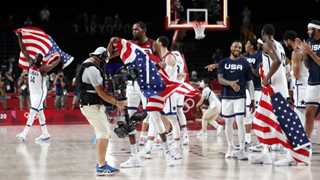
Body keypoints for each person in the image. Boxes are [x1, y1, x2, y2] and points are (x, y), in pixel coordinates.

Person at [77, 46, 126, 176]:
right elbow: (100, 93)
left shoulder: (87, 64)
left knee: (103, 132)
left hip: (91, 105)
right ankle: (101, 166)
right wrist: (117, 102)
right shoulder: (92, 69)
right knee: (103, 133)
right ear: (101, 57)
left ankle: (101, 162)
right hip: (90, 106)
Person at [250, 24, 290, 165]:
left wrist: (267, 76)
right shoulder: (279, 44)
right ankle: (266, 152)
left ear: (263, 33)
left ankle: (289, 155)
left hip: (274, 88)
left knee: (278, 121)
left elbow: (277, 61)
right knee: (263, 120)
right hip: (279, 87)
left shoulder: (268, 44)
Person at [119, 21, 155, 168]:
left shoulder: (154, 44)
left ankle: (152, 144)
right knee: (129, 119)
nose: (134, 31)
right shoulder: (130, 45)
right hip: (132, 85)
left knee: (153, 114)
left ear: (144, 30)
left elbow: (161, 63)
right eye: (132, 29)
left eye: (137, 29)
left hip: (146, 84)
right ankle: (134, 156)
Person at [15, 31, 60, 142]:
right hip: (33, 93)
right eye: (36, 56)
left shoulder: (43, 69)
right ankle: (45, 133)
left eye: (38, 57)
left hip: (40, 94)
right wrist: (20, 37)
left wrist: (58, 57)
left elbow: (54, 64)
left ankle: (24, 134)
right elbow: (23, 49)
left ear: (40, 60)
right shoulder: (30, 63)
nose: (36, 57)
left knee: (33, 111)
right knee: (40, 112)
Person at [217, 40, 255, 160]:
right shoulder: (223, 62)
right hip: (226, 97)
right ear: (230, 47)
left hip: (240, 96)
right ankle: (230, 148)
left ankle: (242, 149)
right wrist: (231, 84)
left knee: (240, 122)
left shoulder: (245, 63)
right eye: (235, 46)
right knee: (228, 123)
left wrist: (252, 98)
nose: (237, 49)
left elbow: (249, 82)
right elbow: (220, 79)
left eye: (239, 47)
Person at [283, 30, 309, 128]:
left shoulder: (296, 52)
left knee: (300, 114)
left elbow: (297, 74)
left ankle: (303, 140)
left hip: (301, 85)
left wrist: (289, 73)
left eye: (285, 41)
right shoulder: (303, 50)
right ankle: (306, 139)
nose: (285, 44)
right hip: (307, 84)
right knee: (305, 114)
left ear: (289, 40)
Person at [303, 20, 320, 139]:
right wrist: (304, 54)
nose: (308, 31)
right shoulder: (308, 41)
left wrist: (310, 52)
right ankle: (305, 143)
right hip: (313, 82)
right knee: (308, 114)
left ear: (317, 30)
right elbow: (307, 65)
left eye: (310, 29)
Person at [244, 38, 262, 145]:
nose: (245, 45)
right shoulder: (245, 56)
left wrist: (249, 67)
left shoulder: (259, 56)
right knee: (247, 114)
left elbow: (258, 74)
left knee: (258, 114)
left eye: (247, 43)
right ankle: (247, 139)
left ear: (252, 46)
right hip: (247, 89)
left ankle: (262, 141)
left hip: (258, 89)